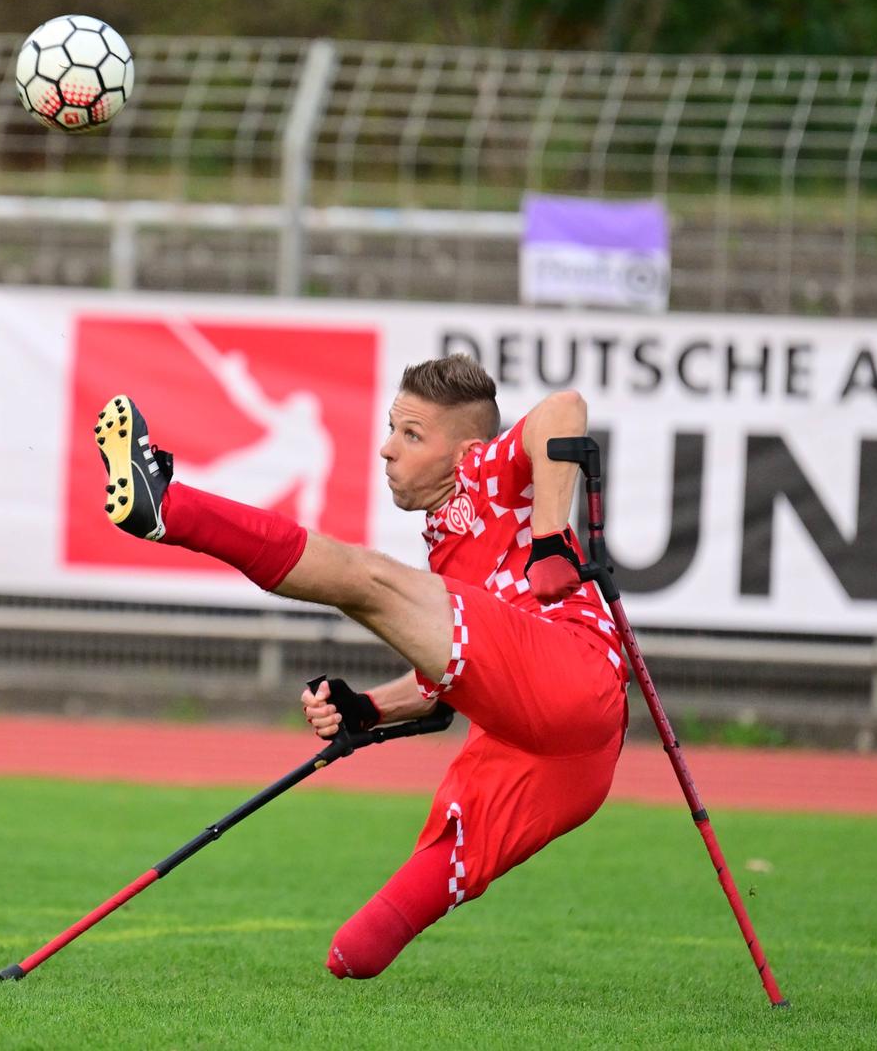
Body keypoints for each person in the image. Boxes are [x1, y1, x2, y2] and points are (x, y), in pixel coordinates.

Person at [92, 355, 626, 979]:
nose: (386, 450)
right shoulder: (447, 539)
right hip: (549, 759)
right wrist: (366, 709)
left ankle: (166, 509)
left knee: (362, 579)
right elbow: (446, 685)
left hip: (576, 677)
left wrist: (553, 541)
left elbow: (564, 409)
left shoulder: (489, 471)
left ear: (466, 451)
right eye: (392, 429)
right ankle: (366, 945)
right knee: (356, 952)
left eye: (411, 435)